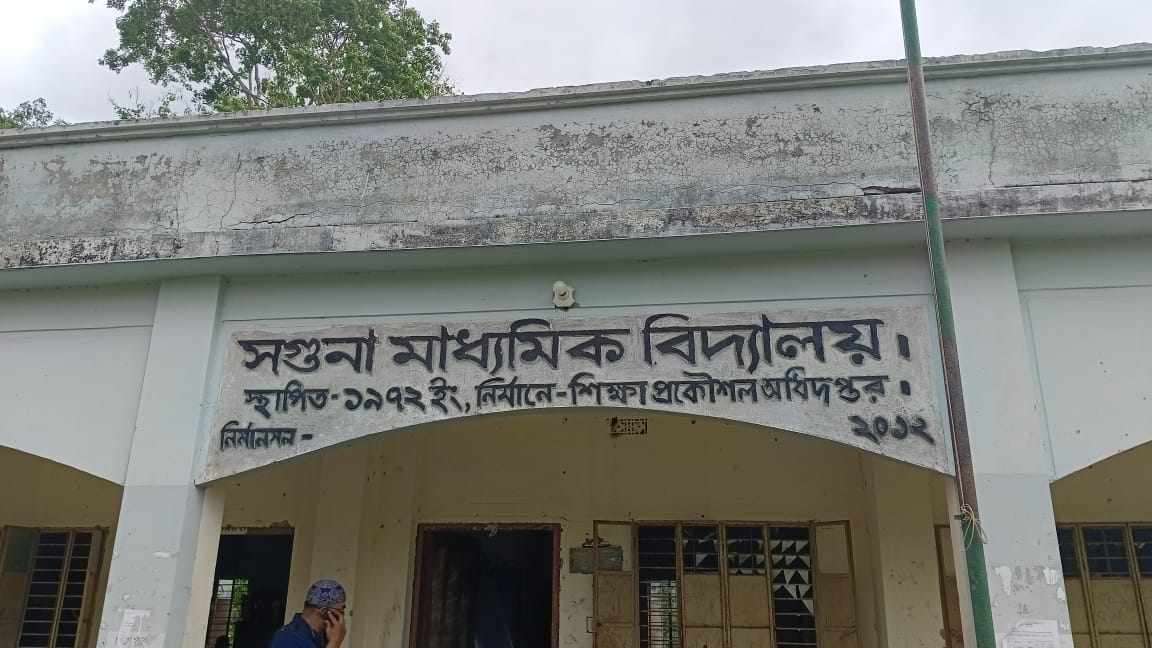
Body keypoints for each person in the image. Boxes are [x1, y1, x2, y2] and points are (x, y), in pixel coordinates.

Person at [268, 580, 348, 648]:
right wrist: (335, 642)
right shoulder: (287, 638)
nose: (342, 616)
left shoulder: (319, 636)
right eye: (340, 610)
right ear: (324, 611)